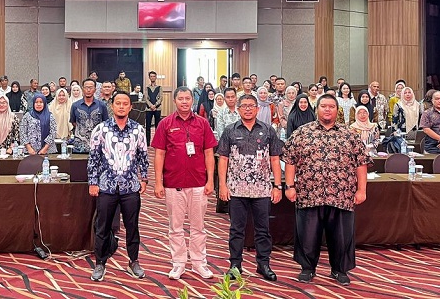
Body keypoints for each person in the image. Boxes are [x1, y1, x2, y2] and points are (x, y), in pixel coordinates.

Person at [282, 94, 371, 285]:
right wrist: (289, 186)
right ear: (317, 109)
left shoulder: (349, 134)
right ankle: (307, 268)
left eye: (331, 106)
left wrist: (361, 190)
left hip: (342, 195)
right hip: (309, 194)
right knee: (307, 235)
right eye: (324, 106)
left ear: (337, 110)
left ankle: (339, 270)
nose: (327, 109)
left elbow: (361, 163)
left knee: (341, 236)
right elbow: (290, 160)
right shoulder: (302, 132)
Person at [151, 86, 218, 281]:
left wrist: (210, 180)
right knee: (176, 227)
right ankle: (178, 263)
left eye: (187, 98)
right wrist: (158, 182)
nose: (184, 102)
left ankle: (199, 263)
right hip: (173, 183)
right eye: (180, 99)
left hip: (198, 183)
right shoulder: (165, 123)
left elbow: (209, 153)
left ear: (192, 100)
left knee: (198, 227)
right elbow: (159, 154)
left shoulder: (202, 123)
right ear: (174, 101)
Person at [217, 94, 283, 281]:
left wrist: (277, 186)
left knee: (263, 229)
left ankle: (263, 264)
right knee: (236, 230)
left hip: (262, 189)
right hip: (236, 189)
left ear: (257, 109)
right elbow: (223, 159)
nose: (247, 109)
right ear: (238, 109)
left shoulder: (268, 130)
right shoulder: (230, 130)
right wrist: (222, 185)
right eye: (244, 106)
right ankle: (235, 265)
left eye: (251, 106)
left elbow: (275, 159)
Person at [88, 91, 149, 282]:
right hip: (106, 186)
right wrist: (93, 182)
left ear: (131, 107)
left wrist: (144, 178)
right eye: (118, 103)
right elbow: (93, 159)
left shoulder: (138, 130)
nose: (121, 106)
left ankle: (134, 261)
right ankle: (100, 263)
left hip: (130, 186)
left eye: (125, 104)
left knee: (132, 226)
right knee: (102, 227)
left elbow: (143, 156)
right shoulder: (101, 129)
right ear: (112, 106)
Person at [70, 79, 109, 153]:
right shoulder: (75, 105)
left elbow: (105, 123)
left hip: (97, 144)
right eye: (86, 87)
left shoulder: (102, 105)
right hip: (80, 145)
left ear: (95, 89)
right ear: (82, 89)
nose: (88, 90)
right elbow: (73, 122)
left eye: (91, 87)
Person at [145, 71, 163, 144]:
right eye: (151, 76)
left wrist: (155, 105)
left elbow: (161, 98)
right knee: (148, 126)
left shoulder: (159, 87)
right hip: (148, 109)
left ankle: (157, 142)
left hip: (157, 108)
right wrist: (151, 106)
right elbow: (146, 98)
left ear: (156, 77)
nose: (152, 77)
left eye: (154, 76)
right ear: (149, 77)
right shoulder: (147, 88)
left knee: (157, 126)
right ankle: (147, 142)